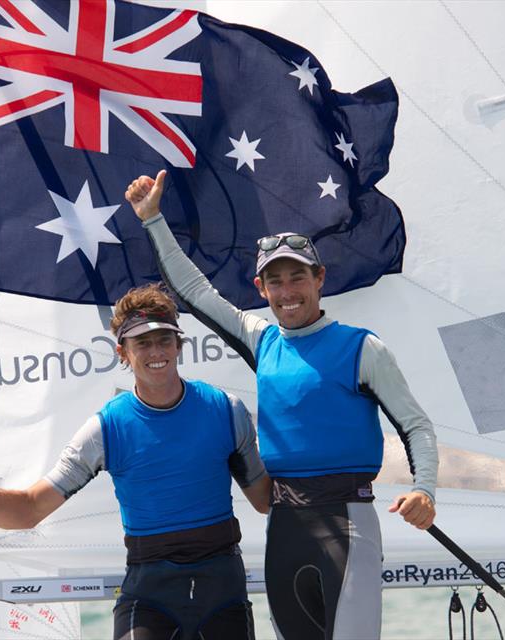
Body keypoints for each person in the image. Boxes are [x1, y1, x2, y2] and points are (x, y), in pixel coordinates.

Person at [125, 171, 440, 640]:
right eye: (276, 281)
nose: (288, 291)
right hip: (286, 524)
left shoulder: (362, 348)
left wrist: (426, 490)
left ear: (319, 279)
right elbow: (195, 293)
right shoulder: (262, 340)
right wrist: (152, 219)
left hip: (349, 521)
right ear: (261, 288)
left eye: (298, 277)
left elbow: (415, 426)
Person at [0, 283, 271, 640]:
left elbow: (265, 500)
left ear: (179, 345)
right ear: (122, 351)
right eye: (142, 343)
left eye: (164, 340)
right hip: (152, 601)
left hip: (222, 597)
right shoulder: (106, 429)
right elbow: (27, 510)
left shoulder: (226, 411)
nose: (156, 351)